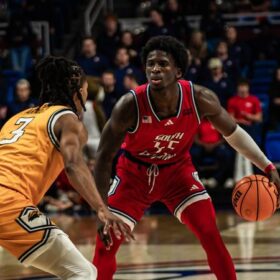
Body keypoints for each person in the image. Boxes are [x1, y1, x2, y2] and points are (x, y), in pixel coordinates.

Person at [92, 35, 280, 280]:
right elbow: (103, 158)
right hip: (134, 176)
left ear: (178, 71)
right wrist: (101, 209)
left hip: (177, 174)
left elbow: (234, 133)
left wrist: (266, 165)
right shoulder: (129, 105)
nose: (155, 69)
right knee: (105, 242)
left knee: (210, 234)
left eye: (163, 63)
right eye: (150, 64)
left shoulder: (200, 98)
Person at [0, 56, 133, 279]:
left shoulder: (18, 118)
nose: (87, 94)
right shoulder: (67, 119)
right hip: (8, 202)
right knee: (82, 272)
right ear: (77, 92)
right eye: (86, 89)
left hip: (8, 199)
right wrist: (101, 208)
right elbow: (73, 164)